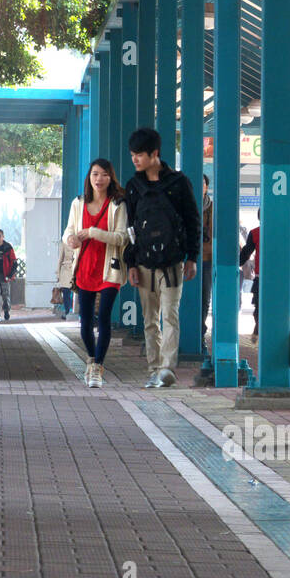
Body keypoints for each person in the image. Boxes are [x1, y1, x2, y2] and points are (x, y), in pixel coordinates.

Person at [122, 127, 200, 389]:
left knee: (170, 315)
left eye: (139, 155)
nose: (135, 160)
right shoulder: (133, 187)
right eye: (133, 155)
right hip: (143, 262)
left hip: (173, 262)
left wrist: (192, 257)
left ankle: (167, 368)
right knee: (150, 320)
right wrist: (131, 263)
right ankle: (154, 368)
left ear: (155, 153)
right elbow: (130, 228)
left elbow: (192, 221)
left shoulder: (179, 183)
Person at [63, 157, 128, 388]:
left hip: (110, 270)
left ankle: (98, 367)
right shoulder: (77, 203)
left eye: (104, 174)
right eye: (95, 174)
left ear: (111, 178)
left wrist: (93, 232)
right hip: (85, 268)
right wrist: (70, 239)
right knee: (85, 320)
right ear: (88, 178)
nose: (99, 179)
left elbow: (122, 237)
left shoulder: (117, 205)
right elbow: (68, 231)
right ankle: (91, 360)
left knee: (104, 319)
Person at [238, 210, 290, 345]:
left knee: (259, 307)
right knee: (279, 307)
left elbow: (246, 253)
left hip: (262, 279)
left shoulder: (255, 233)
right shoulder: (280, 232)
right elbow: (289, 254)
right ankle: (277, 332)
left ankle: (259, 329)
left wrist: (236, 263)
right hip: (277, 279)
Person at [199, 174, 213, 350]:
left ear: (206, 187)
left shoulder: (212, 209)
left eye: (202, 183)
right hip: (186, 259)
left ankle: (200, 333)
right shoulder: (184, 206)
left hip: (207, 259)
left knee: (204, 298)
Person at [55, 236, 76, 318]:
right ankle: (67, 311)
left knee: (77, 293)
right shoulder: (64, 243)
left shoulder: (80, 241)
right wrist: (58, 273)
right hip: (66, 270)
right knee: (66, 292)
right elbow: (60, 258)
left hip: (76, 269)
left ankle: (76, 312)